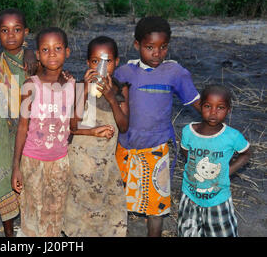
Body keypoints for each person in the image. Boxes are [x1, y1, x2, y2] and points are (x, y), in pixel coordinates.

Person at [114, 16, 201, 237]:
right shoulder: (125, 72)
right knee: (117, 199)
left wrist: (215, 125)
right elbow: (105, 97)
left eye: (163, 48)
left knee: (157, 204)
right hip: (125, 147)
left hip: (156, 148)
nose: (157, 53)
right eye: (150, 47)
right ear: (137, 45)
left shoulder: (175, 72)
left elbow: (198, 102)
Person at [11, 27, 75, 237]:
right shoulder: (30, 86)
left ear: (67, 52)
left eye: (57, 48)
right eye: (45, 50)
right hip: (32, 162)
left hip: (60, 163)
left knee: (54, 216)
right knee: (31, 214)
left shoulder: (72, 84)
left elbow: (74, 124)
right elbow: (22, 127)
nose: (52, 54)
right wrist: (16, 168)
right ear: (38, 55)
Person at [63, 36, 129, 237]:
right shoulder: (79, 87)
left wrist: (111, 98)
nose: (101, 66)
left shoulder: (120, 90)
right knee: (78, 216)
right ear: (88, 63)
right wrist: (83, 90)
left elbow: (124, 126)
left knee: (106, 215)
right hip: (78, 166)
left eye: (107, 61)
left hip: (105, 166)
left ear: (116, 62)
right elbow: (71, 126)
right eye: (95, 61)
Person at [0, 8, 38, 237]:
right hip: (3, 133)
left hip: (30, 130)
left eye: (17, 30)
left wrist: (31, 52)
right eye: (5, 31)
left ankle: (30, 230)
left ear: (26, 32)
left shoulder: (34, 60)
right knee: (4, 176)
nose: (11, 36)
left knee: (31, 180)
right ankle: (9, 233)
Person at [178, 84, 250, 237]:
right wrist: (195, 165)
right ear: (200, 105)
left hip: (218, 199)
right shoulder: (188, 132)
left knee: (221, 232)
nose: (213, 112)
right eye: (208, 106)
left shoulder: (232, 136)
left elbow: (246, 154)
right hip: (190, 196)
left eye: (220, 107)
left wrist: (227, 171)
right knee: (187, 232)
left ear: (228, 110)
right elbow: (185, 150)